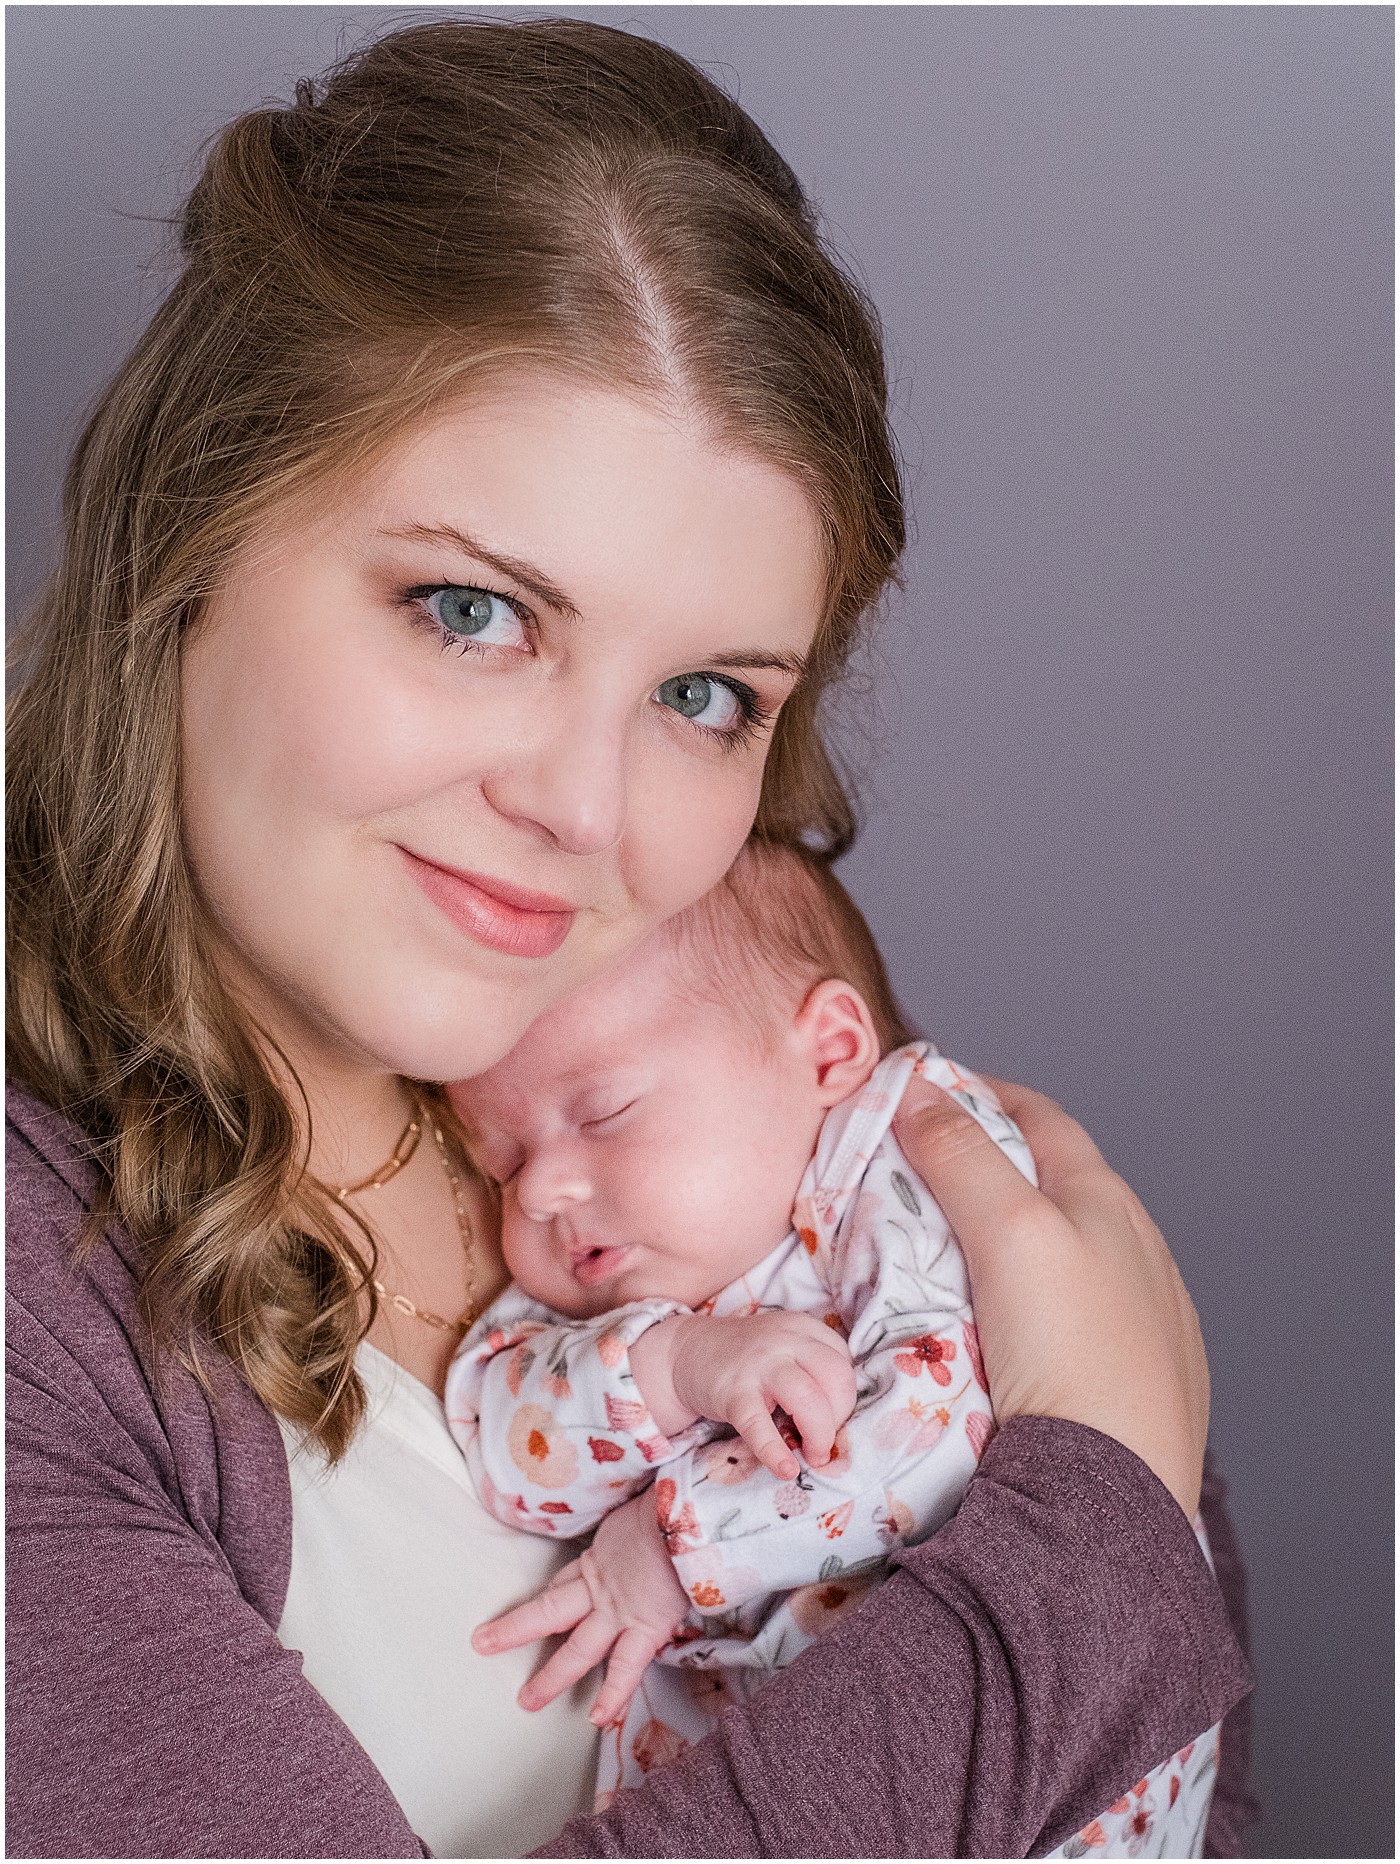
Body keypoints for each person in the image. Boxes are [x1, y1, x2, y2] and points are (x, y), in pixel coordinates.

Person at [5, 16, 1255, 1860]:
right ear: (184, 537)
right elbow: (1100, 1641)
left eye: (702, 692)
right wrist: (1105, 1504)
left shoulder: (707, 1081)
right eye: (471, 608)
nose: (590, 814)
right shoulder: (40, 1302)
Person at [444, 841, 1221, 1856]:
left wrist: (677, 1547)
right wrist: (673, 1364)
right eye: (498, 1160)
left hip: (1044, 1783)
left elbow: (942, 1430)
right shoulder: (610, 1285)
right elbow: (498, 1437)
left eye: (602, 1112)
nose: (540, 1189)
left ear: (826, 1051)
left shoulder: (896, 1158)